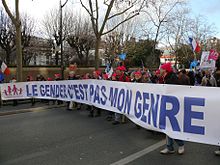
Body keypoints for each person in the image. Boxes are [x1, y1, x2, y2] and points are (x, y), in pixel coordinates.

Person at [159, 63, 185, 155]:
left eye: (161, 69)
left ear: (165, 70)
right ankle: (169, 147)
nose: (159, 70)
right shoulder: (165, 78)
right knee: (167, 127)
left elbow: (176, 91)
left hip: (174, 106)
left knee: (173, 126)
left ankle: (181, 144)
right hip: (167, 105)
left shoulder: (172, 78)